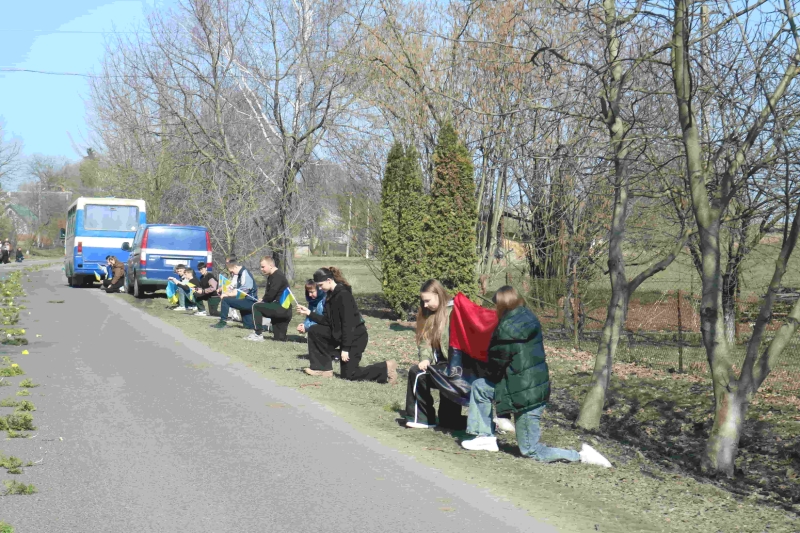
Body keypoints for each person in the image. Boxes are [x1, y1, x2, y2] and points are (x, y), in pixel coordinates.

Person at [460, 286, 612, 467]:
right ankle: (485, 437)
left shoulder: (506, 330)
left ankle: (581, 456)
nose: (495, 310)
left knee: (530, 450)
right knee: (481, 387)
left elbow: (496, 364)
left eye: (496, 306)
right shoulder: (528, 318)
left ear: (503, 306)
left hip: (525, 396)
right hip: (529, 388)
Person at [403, 279, 489, 430]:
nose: (425, 305)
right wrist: (425, 358)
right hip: (442, 368)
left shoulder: (456, 311)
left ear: (438, 294)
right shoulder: (429, 315)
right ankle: (422, 418)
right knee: (417, 373)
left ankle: (487, 423)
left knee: (450, 422)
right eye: (423, 301)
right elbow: (425, 342)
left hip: (459, 369)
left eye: (428, 300)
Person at [296, 267, 397, 384]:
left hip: (355, 337)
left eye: (320, 285)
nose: (319, 288)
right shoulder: (329, 295)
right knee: (315, 330)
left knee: (349, 375)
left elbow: (348, 325)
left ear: (329, 280)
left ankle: (386, 368)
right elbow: (327, 321)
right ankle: (322, 369)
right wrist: (309, 313)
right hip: (339, 334)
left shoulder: (343, 295)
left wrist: (345, 349)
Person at [245, 256, 293, 342]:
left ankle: (258, 334)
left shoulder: (277, 276)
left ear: (270, 265)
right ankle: (303, 340)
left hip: (281, 308)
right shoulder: (272, 276)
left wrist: (263, 301)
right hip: (284, 310)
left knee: (256, 306)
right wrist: (264, 300)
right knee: (280, 339)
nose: (261, 269)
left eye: (263, 267)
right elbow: (271, 294)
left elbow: (271, 294)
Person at [211, 256, 258, 330]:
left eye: (232, 271)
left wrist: (227, 294)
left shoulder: (245, 274)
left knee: (225, 300)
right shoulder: (237, 274)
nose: (231, 273)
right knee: (248, 326)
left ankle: (223, 322)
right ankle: (268, 328)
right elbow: (231, 286)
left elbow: (243, 290)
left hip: (250, 301)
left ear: (235, 267)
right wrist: (223, 290)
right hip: (244, 300)